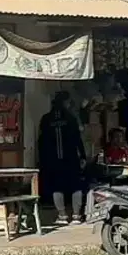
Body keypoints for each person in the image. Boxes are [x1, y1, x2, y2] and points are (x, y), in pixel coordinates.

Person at [38, 91, 86, 224]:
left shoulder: (46, 119)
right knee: (75, 185)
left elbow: (41, 141)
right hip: (71, 158)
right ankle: (76, 216)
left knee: (57, 186)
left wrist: (43, 159)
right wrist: (82, 155)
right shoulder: (71, 118)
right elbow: (78, 139)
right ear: (66, 102)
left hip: (53, 160)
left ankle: (62, 216)